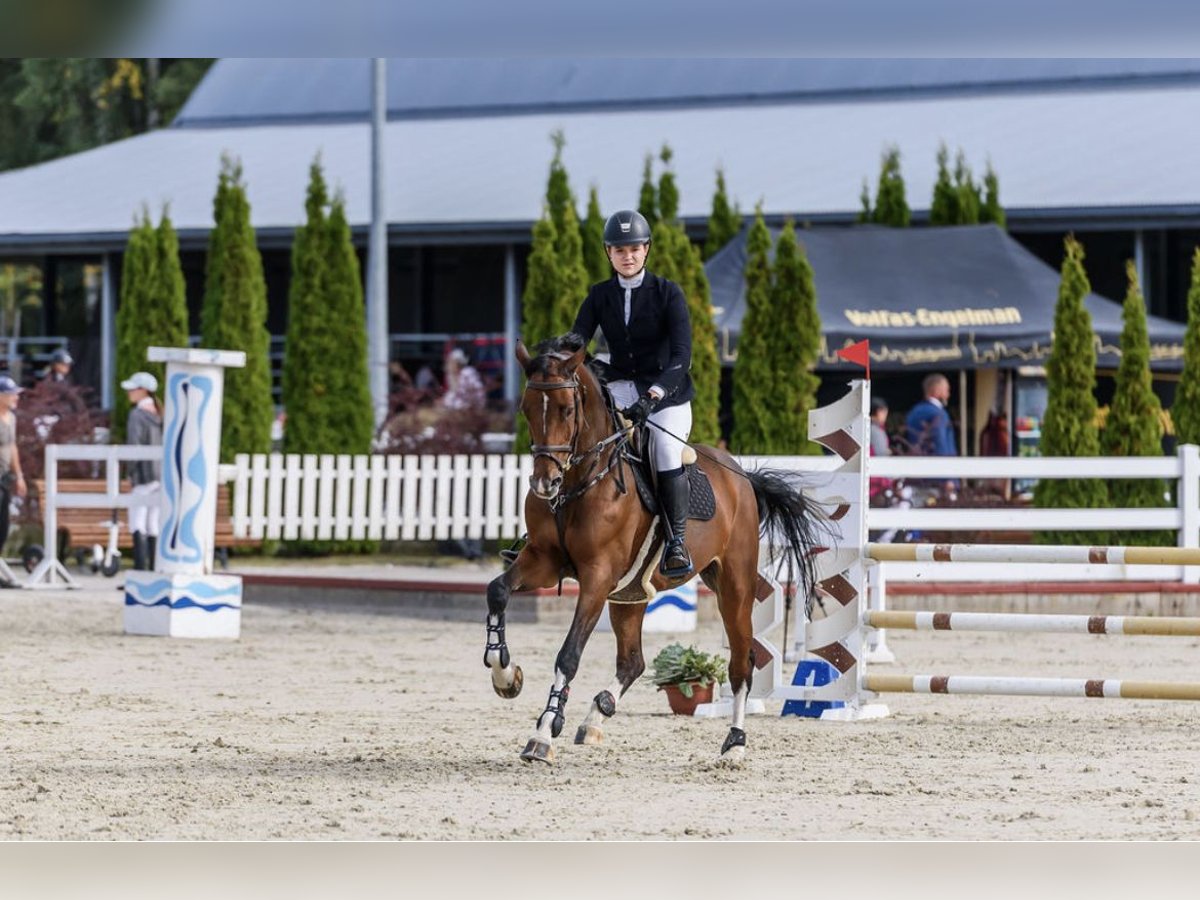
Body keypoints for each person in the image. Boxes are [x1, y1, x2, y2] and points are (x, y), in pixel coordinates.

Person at [571, 209, 695, 577]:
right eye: (619, 250)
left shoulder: (667, 293)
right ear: (608, 253)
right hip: (621, 388)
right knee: (580, 440)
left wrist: (653, 396)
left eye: (634, 249)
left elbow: (681, 355)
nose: (628, 256)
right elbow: (578, 343)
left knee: (663, 447)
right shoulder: (599, 296)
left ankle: (676, 542)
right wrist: (575, 361)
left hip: (666, 395)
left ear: (646, 250)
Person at [122, 372, 163, 571]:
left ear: (143, 390)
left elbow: (134, 446)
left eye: (133, 389)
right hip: (160, 475)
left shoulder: (137, 415)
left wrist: (130, 473)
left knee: (137, 522)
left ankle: (139, 569)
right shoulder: (160, 413)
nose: (129, 392)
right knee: (153, 522)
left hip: (143, 475)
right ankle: (153, 568)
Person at [904, 373, 959, 501]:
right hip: (938, 479)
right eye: (946, 390)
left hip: (915, 475)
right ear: (937, 390)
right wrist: (948, 478)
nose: (948, 394)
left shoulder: (913, 413)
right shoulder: (939, 414)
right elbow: (941, 446)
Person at [0, 375, 27, 581]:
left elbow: (12, 447)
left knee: (3, 526)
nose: (16, 398)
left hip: (4, 477)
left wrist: (19, 476)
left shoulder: (12, 418)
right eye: (12, 394)